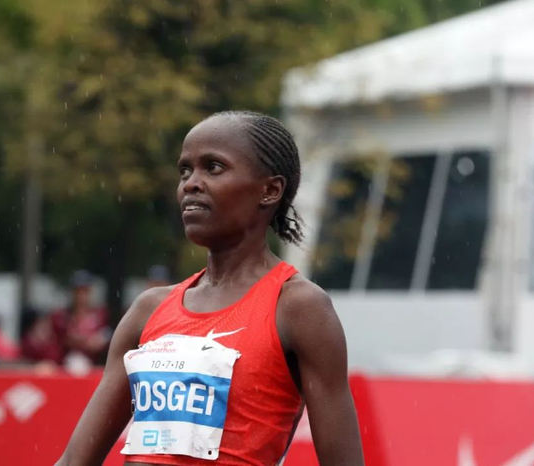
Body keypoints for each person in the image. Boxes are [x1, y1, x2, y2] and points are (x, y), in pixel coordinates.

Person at [56, 111, 364, 465]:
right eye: (185, 171)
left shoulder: (298, 307)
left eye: (213, 167)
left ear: (270, 190)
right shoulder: (148, 309)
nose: (191, 184)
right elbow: (74, 461)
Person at [52, 270, 111, 373]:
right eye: (78, 291)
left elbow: (106, 336)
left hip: (95, 366)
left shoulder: (100, 315)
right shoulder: (62, 316)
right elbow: (65, 339)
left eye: (85, 291)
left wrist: (99, 340)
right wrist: (85, 341)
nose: (81, 296)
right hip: (65, 366)